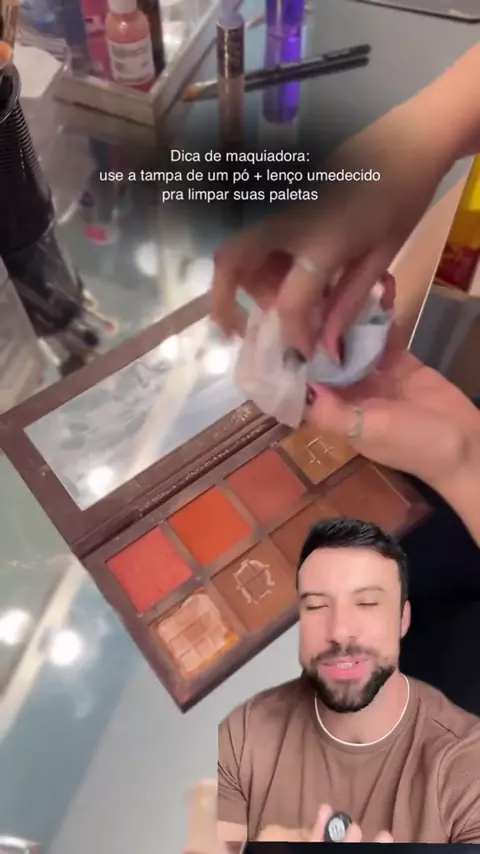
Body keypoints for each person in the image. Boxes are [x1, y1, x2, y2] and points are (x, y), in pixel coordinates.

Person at [218, 515, 480, 845]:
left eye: (366, 603)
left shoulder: (465, 763)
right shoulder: (245, 736)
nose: (340, 630)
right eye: (316, 606)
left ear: (403, 618)